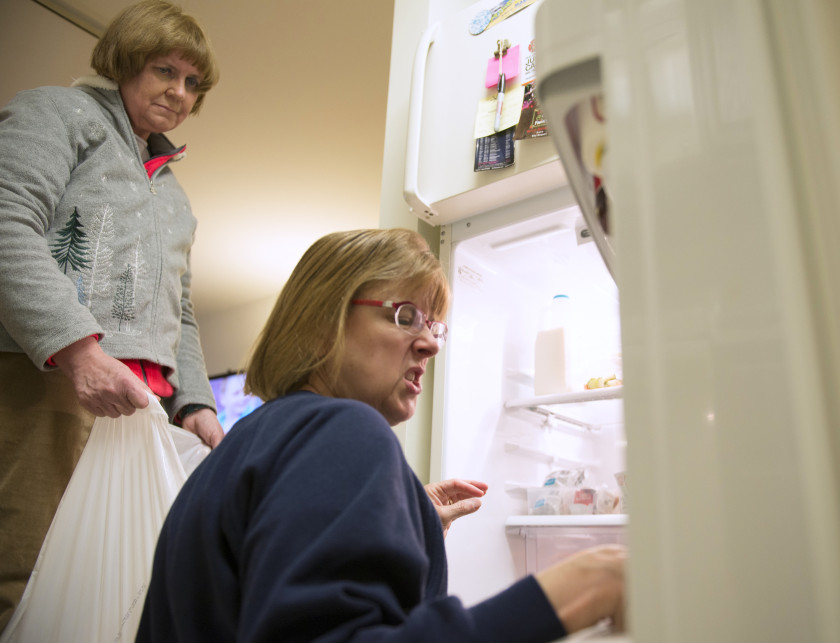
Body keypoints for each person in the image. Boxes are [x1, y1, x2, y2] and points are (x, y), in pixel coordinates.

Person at [136, 228, 626, 642]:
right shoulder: (343, 430)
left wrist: (403, 518)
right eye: (406, 315)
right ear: (321, 322)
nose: (431, 342)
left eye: (435, 324)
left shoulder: (249, 441)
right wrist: (576, 588)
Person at [0, 0, 225, 631]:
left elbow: (179, 313)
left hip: (142, 411)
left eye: (192, 83)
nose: (178, 93)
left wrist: (197, 404)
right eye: (163, 70)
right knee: (28, 568)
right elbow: (5, 224)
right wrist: (79, 353)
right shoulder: (56, 113)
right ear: (124, 63)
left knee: (126, 584)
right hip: (48, 382)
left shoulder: (176, 196)